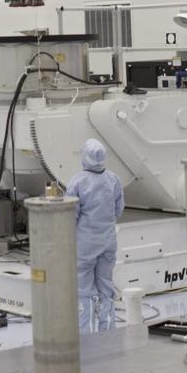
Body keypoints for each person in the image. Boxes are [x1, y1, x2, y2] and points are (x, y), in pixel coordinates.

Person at [66, 138, 125, 333]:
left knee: (85, 290)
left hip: (85, 245)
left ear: (84, 157)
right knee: (106, 287)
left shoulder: (77, 182)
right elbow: (118, 210)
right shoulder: (114, 179)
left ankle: (88, 334)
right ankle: (108, 331)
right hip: (108, 242)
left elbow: (70, 215)